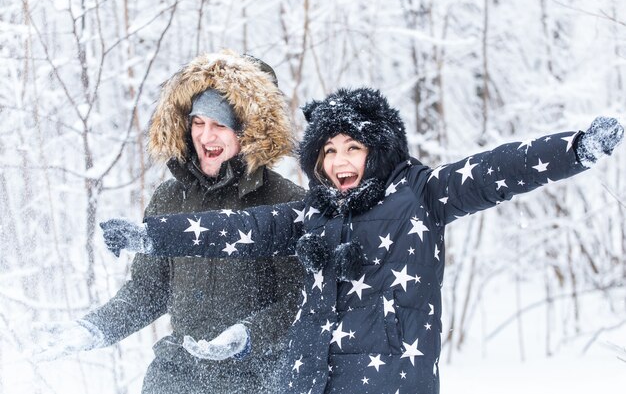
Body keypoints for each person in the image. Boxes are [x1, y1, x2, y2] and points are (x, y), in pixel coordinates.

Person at [101, 87, 623, 394]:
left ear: (378, 148)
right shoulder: (313, 212)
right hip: (308, 382)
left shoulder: (422, 195)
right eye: (328, 151)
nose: (340, 161)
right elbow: (236, 229)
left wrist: (577, 150)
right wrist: (150, 236)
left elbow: (493, 171)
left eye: (353, 147)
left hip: (388, 383)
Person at [34, 50, 306, 394]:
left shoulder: (285, 201)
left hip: (255, 377)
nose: (206, 137)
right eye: (198, 123)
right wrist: (94, 328)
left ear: (249, 132)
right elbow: (149, 290)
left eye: (220, 125)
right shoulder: (168, 198)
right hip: (177, 375)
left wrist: (246, 336)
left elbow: (299, 301)